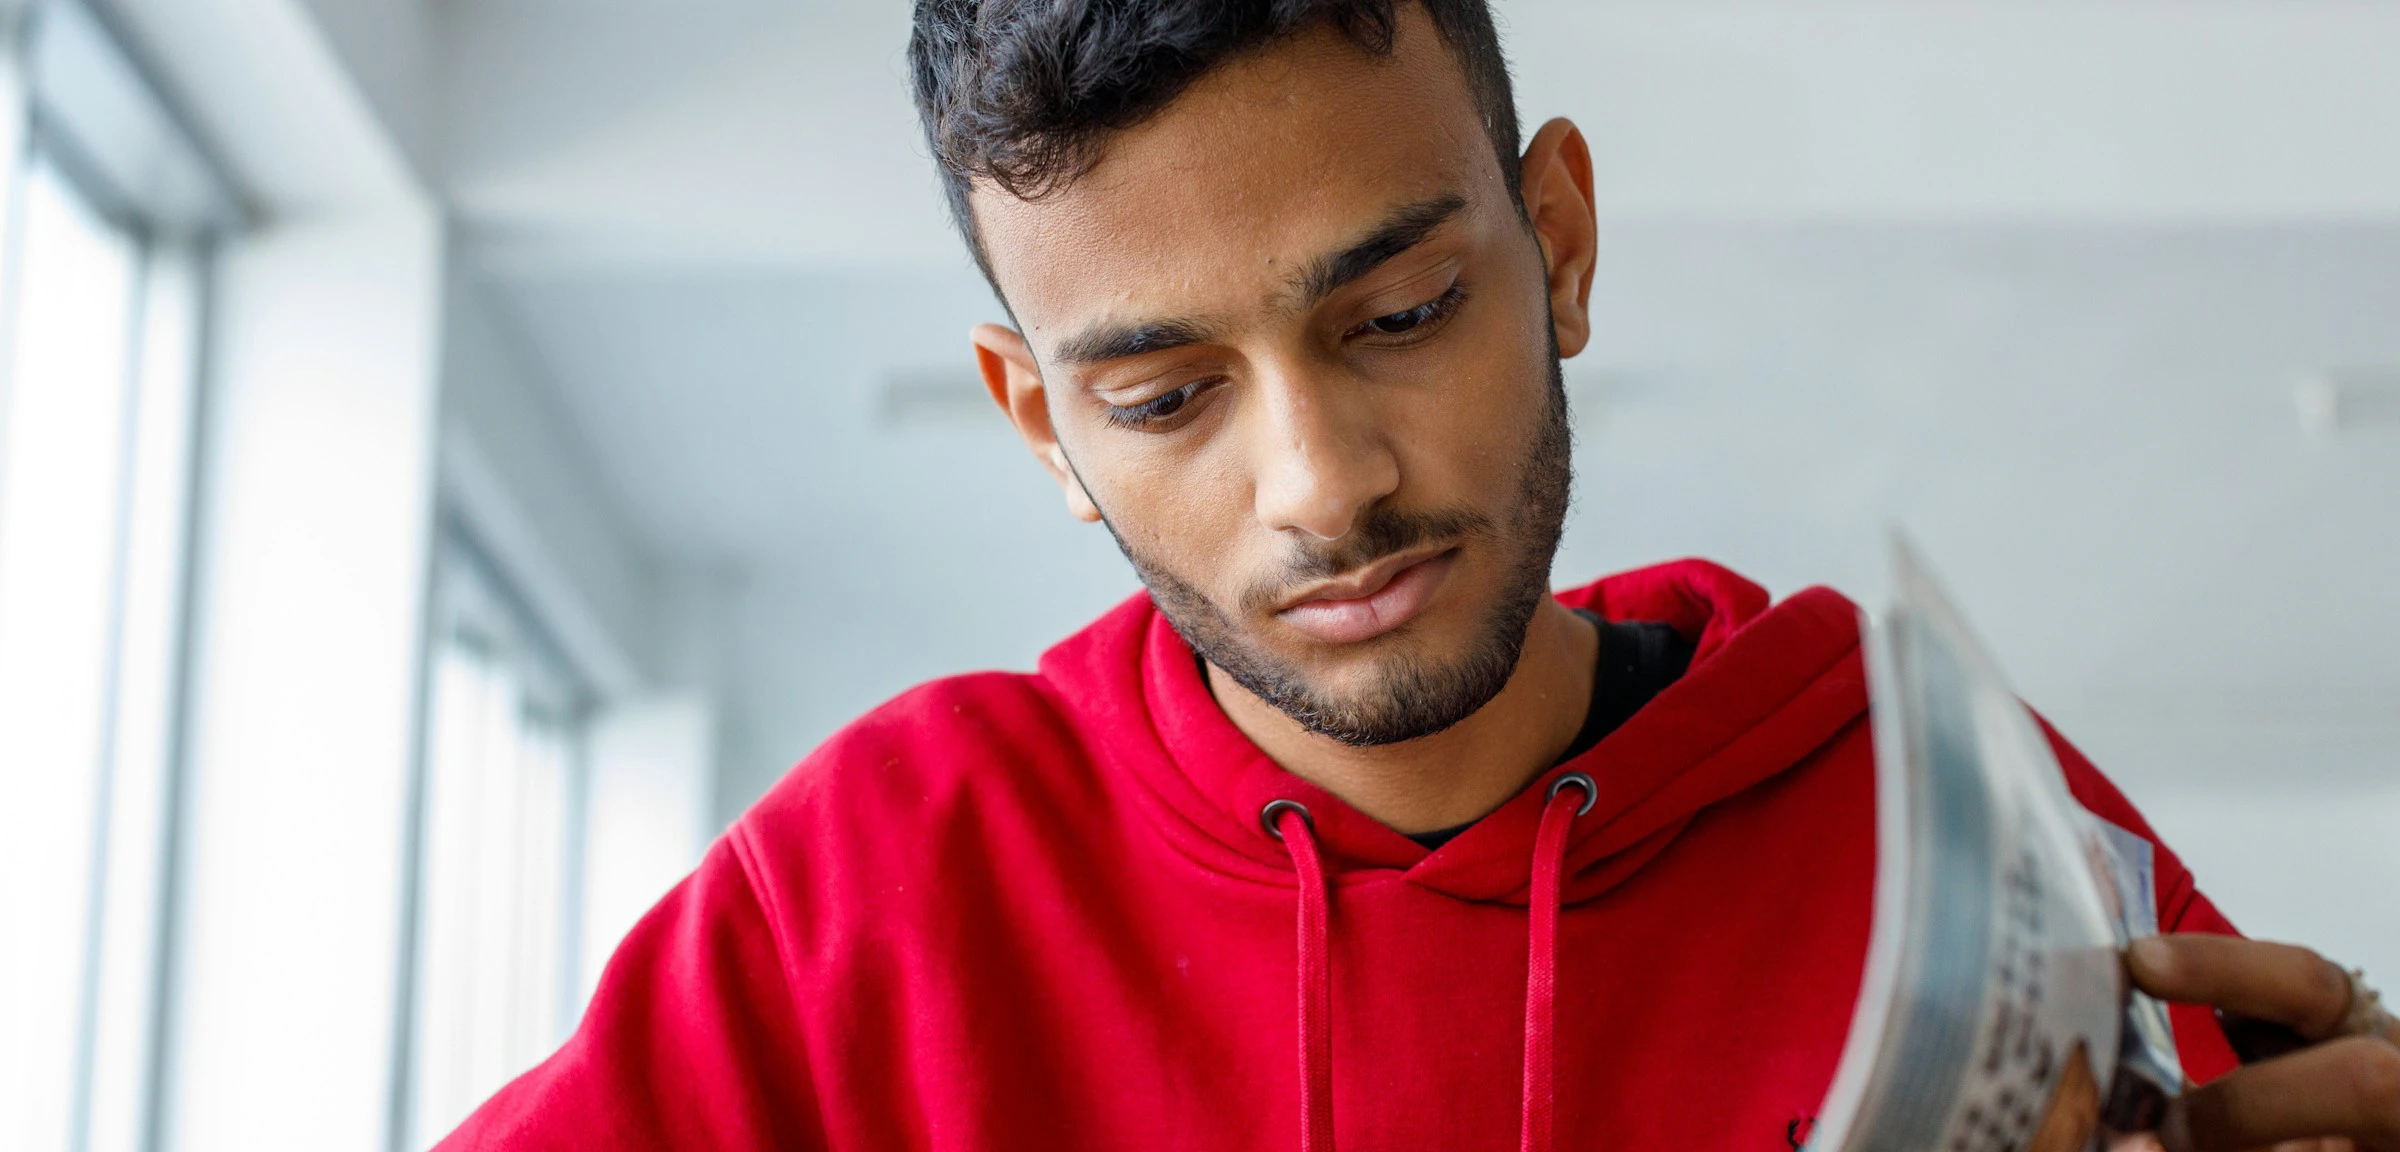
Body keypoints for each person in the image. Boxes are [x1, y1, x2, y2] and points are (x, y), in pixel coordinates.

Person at [438, 2, 2400, 1149]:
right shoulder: (865, 898)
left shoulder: (1937, 801)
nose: (1322, 485)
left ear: (1555, 238)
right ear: (1043, 427)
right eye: (1166, 394)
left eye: (1398, 313)